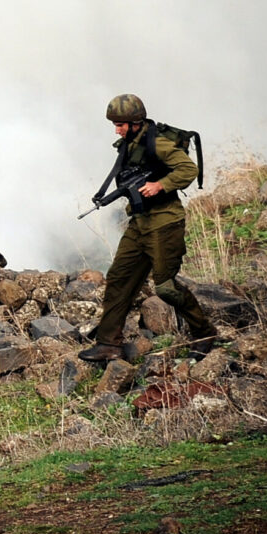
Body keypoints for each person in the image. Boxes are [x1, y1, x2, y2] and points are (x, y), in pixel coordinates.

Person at [79, 95, 218, 363]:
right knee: (119, 278)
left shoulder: (158, 143)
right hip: (140, 223)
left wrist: (160, 185)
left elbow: (188, 169)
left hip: (165, 223)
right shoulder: (130, 144)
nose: (116, 129)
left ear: (134, 122)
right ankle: (108, 344)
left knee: (166, 287)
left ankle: (204, 333)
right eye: (115, 125)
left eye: (120, 124)